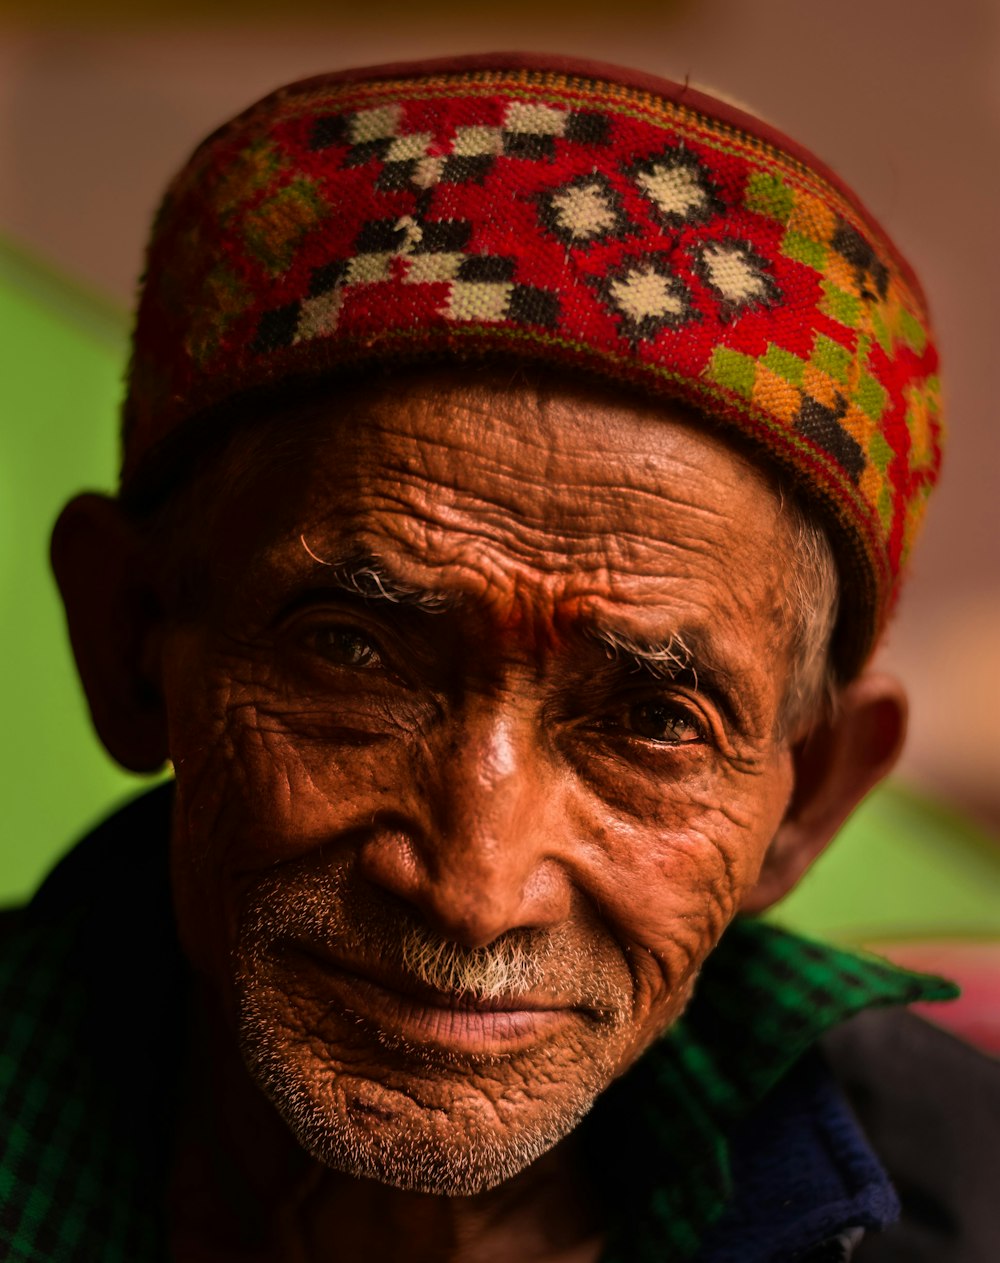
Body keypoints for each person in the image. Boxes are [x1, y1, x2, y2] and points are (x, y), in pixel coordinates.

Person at [1, 52, 995, 1263]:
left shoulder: (965, 1189)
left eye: (655, 720)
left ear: (810, 801)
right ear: (132, 644)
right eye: (354, 653)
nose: (475, 888)